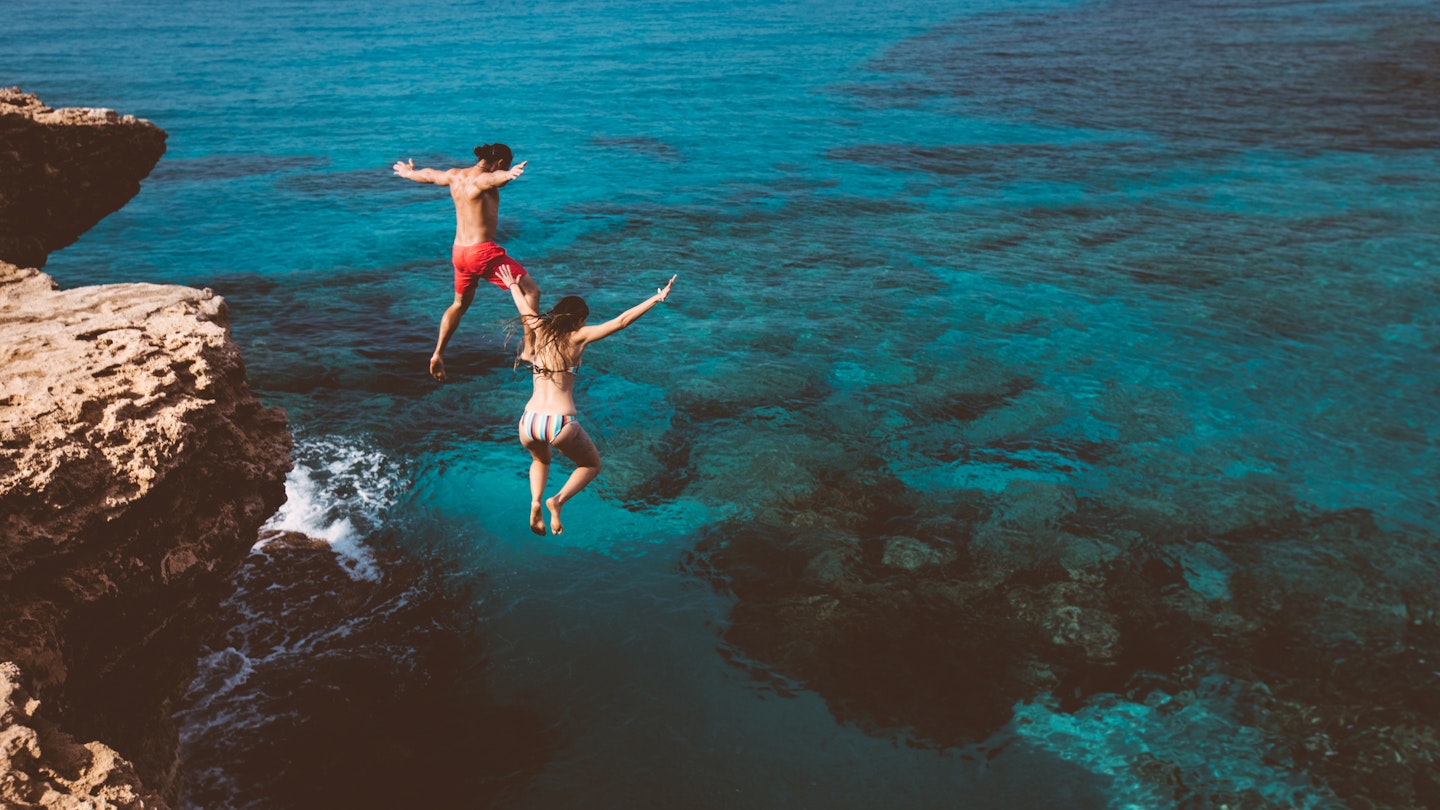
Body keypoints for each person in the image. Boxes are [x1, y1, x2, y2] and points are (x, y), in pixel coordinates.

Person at [495, 264, 677, 535]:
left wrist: (512, 285)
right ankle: (556, 501)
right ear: (579, 320)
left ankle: (534, 502)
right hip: (559, 422)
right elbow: (621, 321)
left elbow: (524, 308)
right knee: (591, 465)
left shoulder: (540, 328)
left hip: (529, 421)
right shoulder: (579, 337)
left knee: (541, 461)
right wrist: (656, 298)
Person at [393, 142, 540, 381]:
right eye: (507, 165)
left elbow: (430, 175)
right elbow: (493, 181)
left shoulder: (455, 176)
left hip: (459, 253)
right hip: (482, 253)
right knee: (532, 291)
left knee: (458, 305)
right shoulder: (484, 179)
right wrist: (509, 176)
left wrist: (409, 173)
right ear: (501, 163)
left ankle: (438, 353)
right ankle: (529, 350)